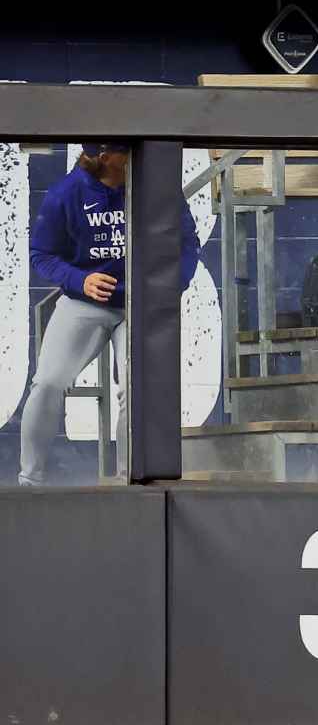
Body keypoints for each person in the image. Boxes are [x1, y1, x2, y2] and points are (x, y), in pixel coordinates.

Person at [19, 143, 200, 486]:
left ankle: (127, 480)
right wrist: (79, 279)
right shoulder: (65, 193)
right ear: (105, 158)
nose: (134, 157)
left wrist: (170, 287)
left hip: (139, 303)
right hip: (83, 303)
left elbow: (188, 242)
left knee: (135, 391)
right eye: (126, 152)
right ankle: (30, 481)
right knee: (47, 383)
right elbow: (41, 255)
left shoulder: (155, 186)